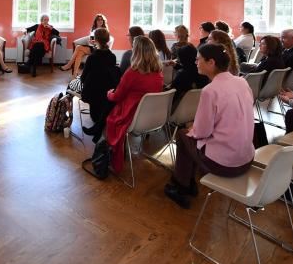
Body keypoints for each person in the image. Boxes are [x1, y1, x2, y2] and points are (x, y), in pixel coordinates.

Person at [164, 44, 255, 209]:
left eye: (199, 59)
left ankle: (182, 186)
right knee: (188, 135)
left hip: (226, 164)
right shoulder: (241, 81)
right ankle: (186, 182)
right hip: (246, 157)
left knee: (183, 135)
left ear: (211, 62)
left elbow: (202, 132)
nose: (196, 62)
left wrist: (193, 127)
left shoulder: (210, 90)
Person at [104, 36, 164, 174]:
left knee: (109, 108)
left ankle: (107, 151)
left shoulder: (132, 72)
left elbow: (117, 96)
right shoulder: (158, 72)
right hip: (153, 117)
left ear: (136, 52)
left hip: (134, 117)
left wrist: (109, 94)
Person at [80, 28, 120, 143]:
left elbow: (84, 77)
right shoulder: (112, 57)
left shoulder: (92, 58)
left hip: (93, 92)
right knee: (99, 112)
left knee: (94, 115)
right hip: (107, 92)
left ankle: (98, 127)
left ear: (95, 40)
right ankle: (100, 126)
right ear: (107, 40)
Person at [169, 43, 209, 109]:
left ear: (183, 59)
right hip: (195, 109)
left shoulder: (181, 77)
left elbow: (171, 96)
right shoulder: (204, 73)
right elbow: (190, 69)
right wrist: (176, 65)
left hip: (178, 110)